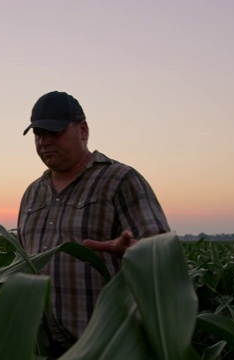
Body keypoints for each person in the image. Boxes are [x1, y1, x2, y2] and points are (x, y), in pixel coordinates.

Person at [18, 90, 170, 356]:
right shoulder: (32, 193)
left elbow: (162, 256)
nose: (45, 142)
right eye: (39, 134)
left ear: (83, 130)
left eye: (55, 132)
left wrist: (139, 252)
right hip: (42, 348)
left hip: (106, 346)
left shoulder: (120, 180)